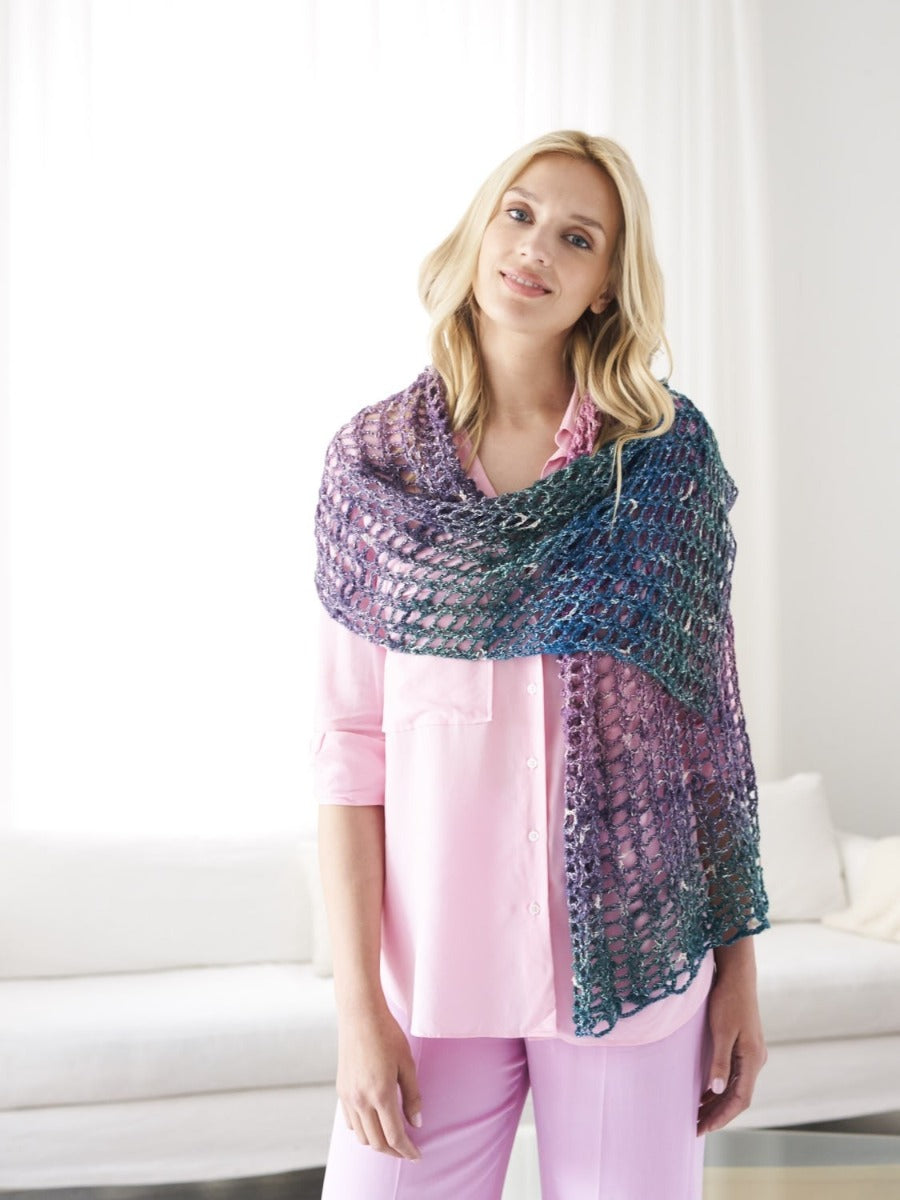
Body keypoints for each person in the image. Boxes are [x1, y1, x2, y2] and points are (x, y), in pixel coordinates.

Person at [311, 129, 770, 1200]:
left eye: (577, 236)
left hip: (635, 965)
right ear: (479, 232)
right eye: (518, 215)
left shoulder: (662, 463)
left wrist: (739, 976)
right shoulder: (374, 470)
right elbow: (348, 755)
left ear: (607, 283)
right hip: (436, 975)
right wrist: (356, 1012)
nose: (535, 249)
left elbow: (706, 744)